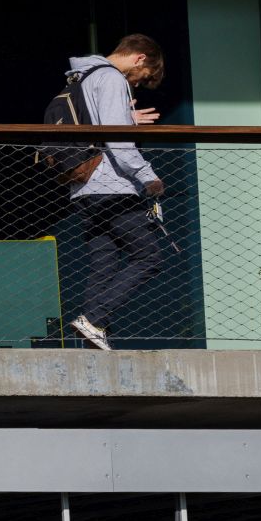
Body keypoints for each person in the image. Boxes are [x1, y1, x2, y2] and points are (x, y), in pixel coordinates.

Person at [66, 34, 166, 351]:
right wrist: (147, 175)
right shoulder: (110, 77)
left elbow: (99, 123)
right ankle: (94, 320)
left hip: (84, 186)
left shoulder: (82, 77)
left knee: (104, 263)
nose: (136, 84)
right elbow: (118, 140)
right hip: (111, 185)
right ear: (139, 58)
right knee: (149, 257)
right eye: (143, 77)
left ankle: (92, 338)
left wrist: (127, 117)